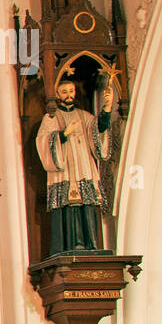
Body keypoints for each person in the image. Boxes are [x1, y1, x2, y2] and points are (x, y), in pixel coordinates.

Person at [35, 75, 116, 254]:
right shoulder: (51, 118)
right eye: (64, 92)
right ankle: (73, 244)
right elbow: (42, 141)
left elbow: (99, 130)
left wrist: (107, 108)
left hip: (84, 167)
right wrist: (63, 134)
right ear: (57, 94)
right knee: (69, 206)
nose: (69, 95)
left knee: (87, 203)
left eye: (71, 91)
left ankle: (91, 244)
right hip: (66, 170)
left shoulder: (84, 116)